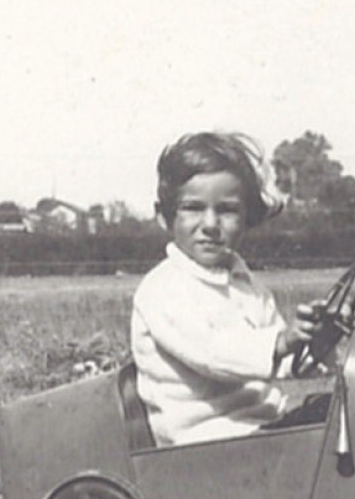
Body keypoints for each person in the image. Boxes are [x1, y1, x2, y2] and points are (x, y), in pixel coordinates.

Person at [130, 131, 327, 446]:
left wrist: (316, 342)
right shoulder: (163, 290)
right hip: (206, 443)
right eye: (193, 208)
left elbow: (284, 363)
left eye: (227, 210)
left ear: (247, 217)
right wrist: (280, 342)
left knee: (350, 411)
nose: (210, 223)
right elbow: (213, 353)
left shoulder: (247, 286)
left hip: (259, 431)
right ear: (164, 216)